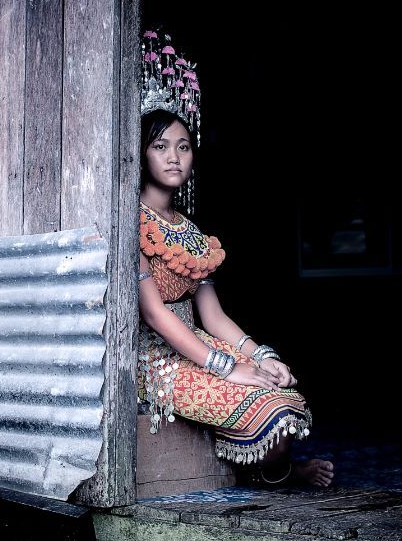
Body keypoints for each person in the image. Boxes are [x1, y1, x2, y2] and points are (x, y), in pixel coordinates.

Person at [137, 30, 333, 487]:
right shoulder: (131, 223)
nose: (174, 157)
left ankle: (276, 470)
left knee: (282, 399)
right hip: (153, 358)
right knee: (266, 412)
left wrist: (261, 354)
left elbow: (212, 315)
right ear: (141, 155)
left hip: (197, 342)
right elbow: (154, 314)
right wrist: (228, 368)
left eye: (183, 146)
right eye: (160, 146)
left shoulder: (190, 231)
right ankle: (279, 475)